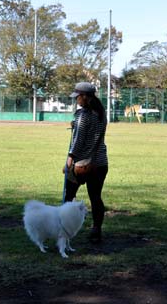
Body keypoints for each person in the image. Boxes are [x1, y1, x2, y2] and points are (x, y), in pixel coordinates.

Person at [63, 82, 109, 243]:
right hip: (100, 162)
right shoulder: (101, 113)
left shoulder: (83, 114)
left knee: (68, 196)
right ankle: (97, 229)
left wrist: (70, 159)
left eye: (78, 97)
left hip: (82, 164)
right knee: (95, 197)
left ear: (85, 97)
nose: (76, 100)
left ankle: (64, 228)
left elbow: (79, 139)